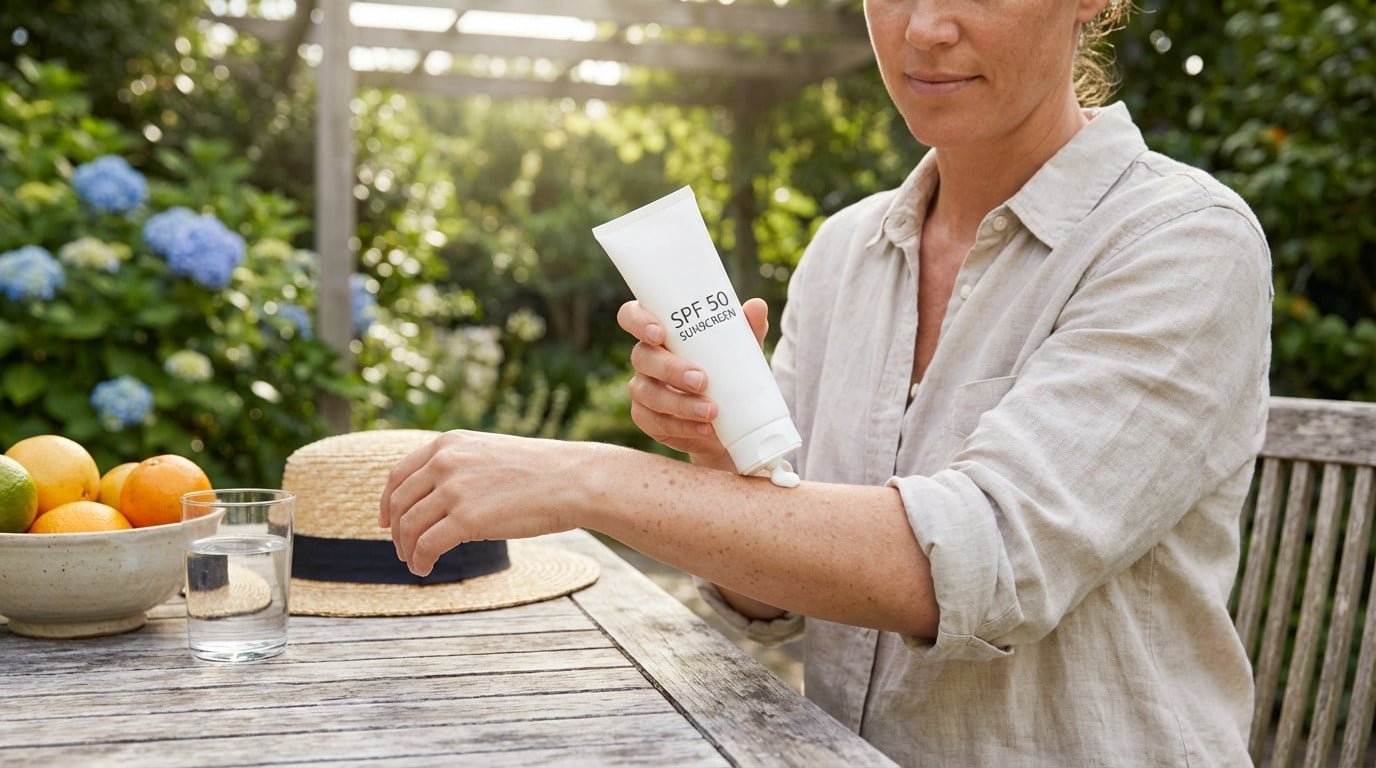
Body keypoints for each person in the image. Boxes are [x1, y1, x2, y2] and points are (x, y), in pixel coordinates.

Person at [379, 0, 1272, 764]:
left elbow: (974, 566)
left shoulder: (1180, 241)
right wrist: (721, 463)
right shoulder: (846, 253)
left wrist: (589, 480)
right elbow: (770, 598)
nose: (924, 28)